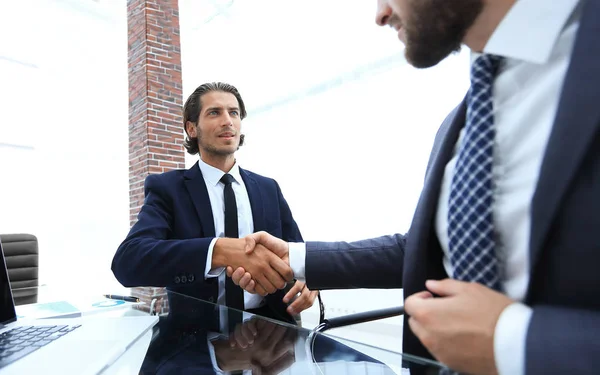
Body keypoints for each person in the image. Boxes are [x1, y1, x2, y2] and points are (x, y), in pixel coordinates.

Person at [227, 0, 600, 374]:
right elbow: (427, 250)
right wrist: (296, 259)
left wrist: (516, 342)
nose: (381, 14)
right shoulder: (462, 122)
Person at [111, 82, 318, 325]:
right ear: (191, 128)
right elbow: (128, 261)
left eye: (234, 113)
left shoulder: (268, 188)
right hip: (197, 339)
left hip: (273, 334)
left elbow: (299, 253)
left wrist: (309, 279)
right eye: (214, 112)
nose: (228, 121)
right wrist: (219, 251)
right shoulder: (168, 189)